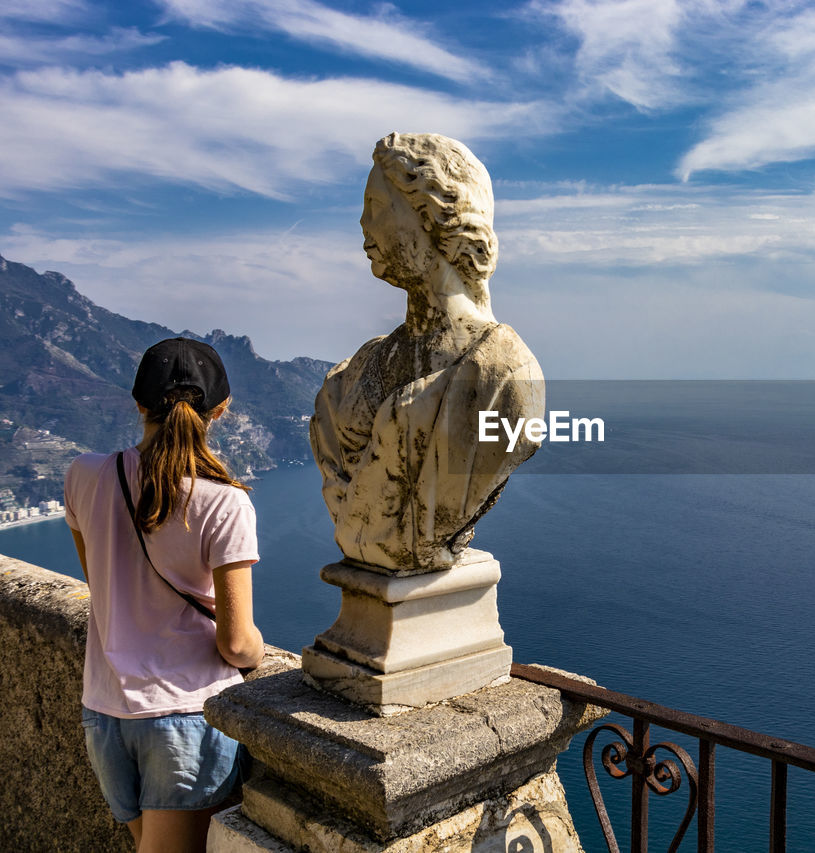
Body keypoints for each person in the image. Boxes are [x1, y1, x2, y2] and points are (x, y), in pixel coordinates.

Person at [64, 337, 265, 853]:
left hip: (105, 712)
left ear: (138, 404)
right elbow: (237, 645)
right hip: (184, 718)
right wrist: (259, 651)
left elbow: (101, 582)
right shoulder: (225, 503)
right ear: (220, 410)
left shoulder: (83, 476)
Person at [310, 132, 543, 572]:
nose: (363, 223)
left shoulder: (502, 374)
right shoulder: (361, 367)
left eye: (376, 207)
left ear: (436, 216)